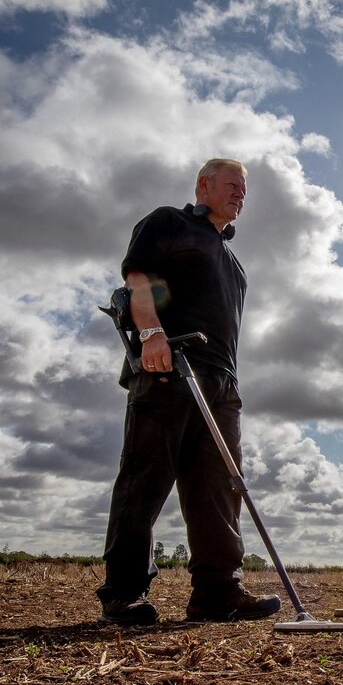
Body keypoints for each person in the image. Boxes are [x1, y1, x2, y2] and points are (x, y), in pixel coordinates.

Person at [96, 158, 281, 626]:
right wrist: (151, 333)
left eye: (245, 189)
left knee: (218, 489)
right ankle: (123, 595)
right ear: (204, 185)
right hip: (169, 366)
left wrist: (231, 380)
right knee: (145, 481)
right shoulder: (168, 222)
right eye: (233, 185)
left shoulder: (233, 261)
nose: (241, 194)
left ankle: (217, 594)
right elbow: (138, 279)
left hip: (222, 382)